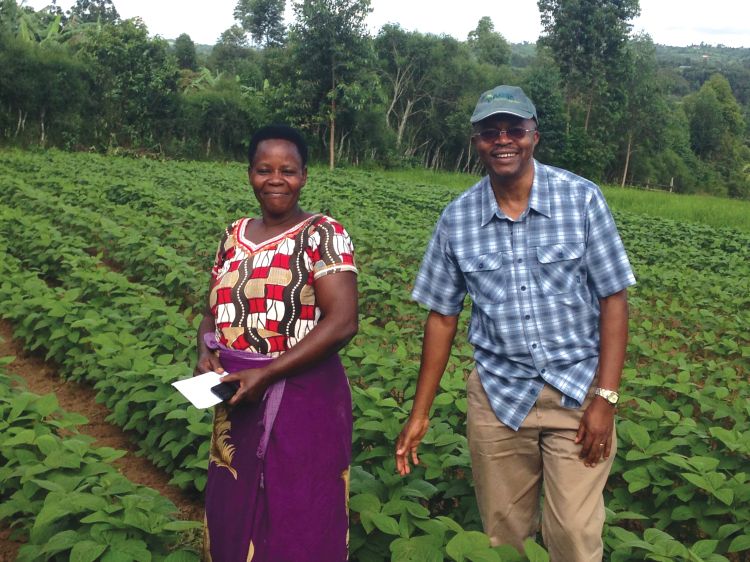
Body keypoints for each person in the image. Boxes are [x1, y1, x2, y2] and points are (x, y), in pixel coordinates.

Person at [395, 85, 635, 561]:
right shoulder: (457, 219)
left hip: (577, 393)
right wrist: (420, 413)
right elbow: (442, 317)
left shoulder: (582, 200)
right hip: (499, 399)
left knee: (573, 536)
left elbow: (614, 299)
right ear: (476, 142)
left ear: (534, 136)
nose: (503, 140)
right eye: (490, 131)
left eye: (514, 129)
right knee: (505, 542)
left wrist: (605, 398)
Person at [194, 124, 358, 561]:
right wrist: (204, 351)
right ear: (249, 173)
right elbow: (213, 307)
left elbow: (342, 322)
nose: (275, 179)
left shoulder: (322, 234)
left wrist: (266, 373)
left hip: (303, 397)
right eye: (264, 169)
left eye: (287, 170)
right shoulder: (234, 234)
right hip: (237, 396)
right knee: (234, 502)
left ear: (304, 175)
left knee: (299, 508)